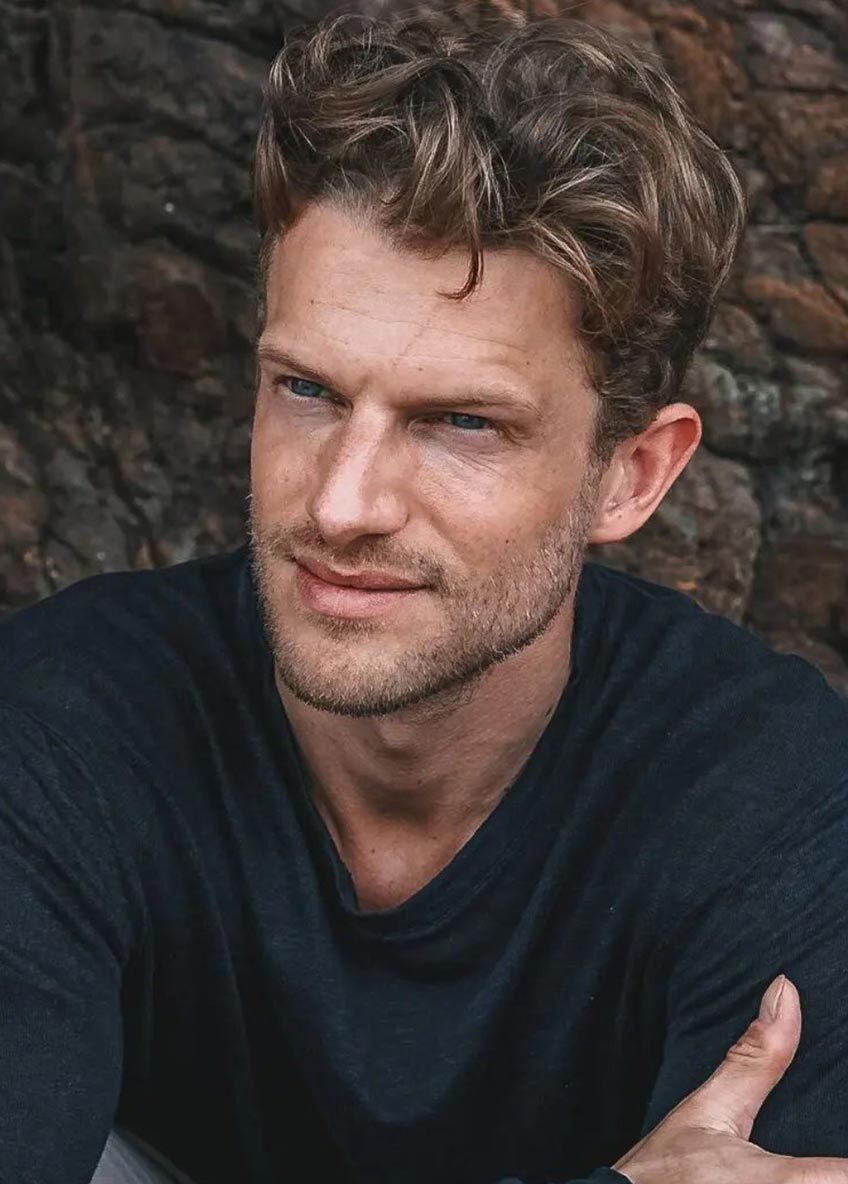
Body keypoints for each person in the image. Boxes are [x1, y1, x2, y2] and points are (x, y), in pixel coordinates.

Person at [1, 6, 847, 1184]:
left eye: (461, 422)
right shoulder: (58, 721)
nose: (342, 502)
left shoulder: (775, 794)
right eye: (305, 390)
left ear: (630, 473)